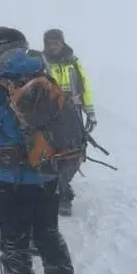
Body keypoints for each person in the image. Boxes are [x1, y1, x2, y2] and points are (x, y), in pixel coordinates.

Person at [0, 30, 74, 274]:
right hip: (48, 171)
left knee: (15, 242)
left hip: (13, 179)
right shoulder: (44, 78)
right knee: (48, 234)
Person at [41, 28, 96, 216]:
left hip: (73, 113)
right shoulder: (41, 62)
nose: (53, 46)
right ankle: (57, 191)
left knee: (73, 153)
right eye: (49, 42)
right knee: (50, 154)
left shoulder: (73, 62)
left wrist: (90, 111)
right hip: (49, 116)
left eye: (56, 42)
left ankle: (63, 190)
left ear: (62, 43)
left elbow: (84, 86)